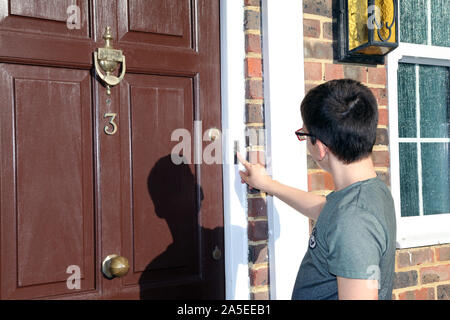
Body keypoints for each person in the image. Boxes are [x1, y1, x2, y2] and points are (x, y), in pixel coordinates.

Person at [237, 79, 396, 300]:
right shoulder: (370, 191)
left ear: (320, 147)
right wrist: (267, 184)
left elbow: (345, 223)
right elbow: (326, 210)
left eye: (304, 135)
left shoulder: (353, 220)